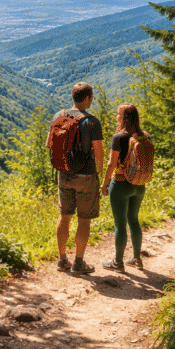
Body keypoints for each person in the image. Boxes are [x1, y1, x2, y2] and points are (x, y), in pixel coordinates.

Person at [53, 82, 104, 275]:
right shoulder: (92, 122)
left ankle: (62, 260)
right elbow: (99, 153)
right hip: (86, 176)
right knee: (84, 220)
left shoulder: (59, 115)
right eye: (92, 97)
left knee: (64, 217)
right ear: (87, 98)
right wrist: (99, 175)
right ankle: (79, 263)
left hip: (63, 173)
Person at [101, 103, 149, 272]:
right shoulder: (145, 137)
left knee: (120, 224)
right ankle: (137, 259)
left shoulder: (118, 138)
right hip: (139, 185)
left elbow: (111, 164)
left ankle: (118, 262)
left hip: (121, 184)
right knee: (134, 220)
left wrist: (105, 183)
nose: (117, 117)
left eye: (119, 114)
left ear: (125, 118)